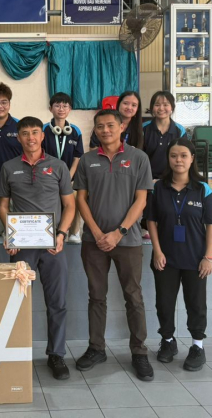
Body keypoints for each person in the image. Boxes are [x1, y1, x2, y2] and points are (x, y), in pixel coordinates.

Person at [74, 109, 154, 381]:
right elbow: (81, 199)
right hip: (93, 241)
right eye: (100, 126)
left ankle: (139, 352)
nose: (105, 130)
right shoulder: (87, 160)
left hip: (128, 241)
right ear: (95, 130)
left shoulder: (139, 158)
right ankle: (96, 348)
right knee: (96, 296)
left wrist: (119, 233)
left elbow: (141, 200)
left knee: (133, 296)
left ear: (122, 127)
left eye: (110, 125)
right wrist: (98, 233)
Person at [0, 117, 75, 381]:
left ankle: (56, 355)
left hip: (53, 247)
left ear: (42, 136)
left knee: (57, 303)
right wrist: (9, 234)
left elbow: (70, 205)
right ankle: (16, 354)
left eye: (34, 133)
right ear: (18, 137)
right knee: (18, 302)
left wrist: (61, 234)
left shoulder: (58, 166)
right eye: (24, 133)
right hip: (22, 247)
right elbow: (3, 206)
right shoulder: (8, 167)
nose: (30, 138)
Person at [147, 137, 212, 372]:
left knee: (196, 304)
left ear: (192, 158)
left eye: (184, 155)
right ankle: (167, 341)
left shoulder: (202, 189)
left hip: (195, 259)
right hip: (165, 258)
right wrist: (157, 251)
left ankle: (197, 346)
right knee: (164, 303)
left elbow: (211, 224)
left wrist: (208, 257)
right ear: (168, 158)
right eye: (174, 155)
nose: (179, 160)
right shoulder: (158, 188)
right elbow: (151, 220)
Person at [42, 92, 85, 243]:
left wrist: (68, 177)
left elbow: (77, 157)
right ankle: (51, 231)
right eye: (57, 106)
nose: (61, 109)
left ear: (70, 109)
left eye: (65, 106)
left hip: (70, 177)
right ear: (50, 108)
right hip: (47, 176)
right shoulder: (43, 130)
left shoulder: (75, 131)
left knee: (75, 198)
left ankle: (74, 232)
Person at [143, 91, 186, 180]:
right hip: (147, 179)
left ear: (172, 107)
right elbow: (138, 156)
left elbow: (184, 157)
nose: (161, 108)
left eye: (166, 105)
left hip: (172, 179)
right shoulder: (143, 128)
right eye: (157, 105)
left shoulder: (180, 130)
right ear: (152, 107)